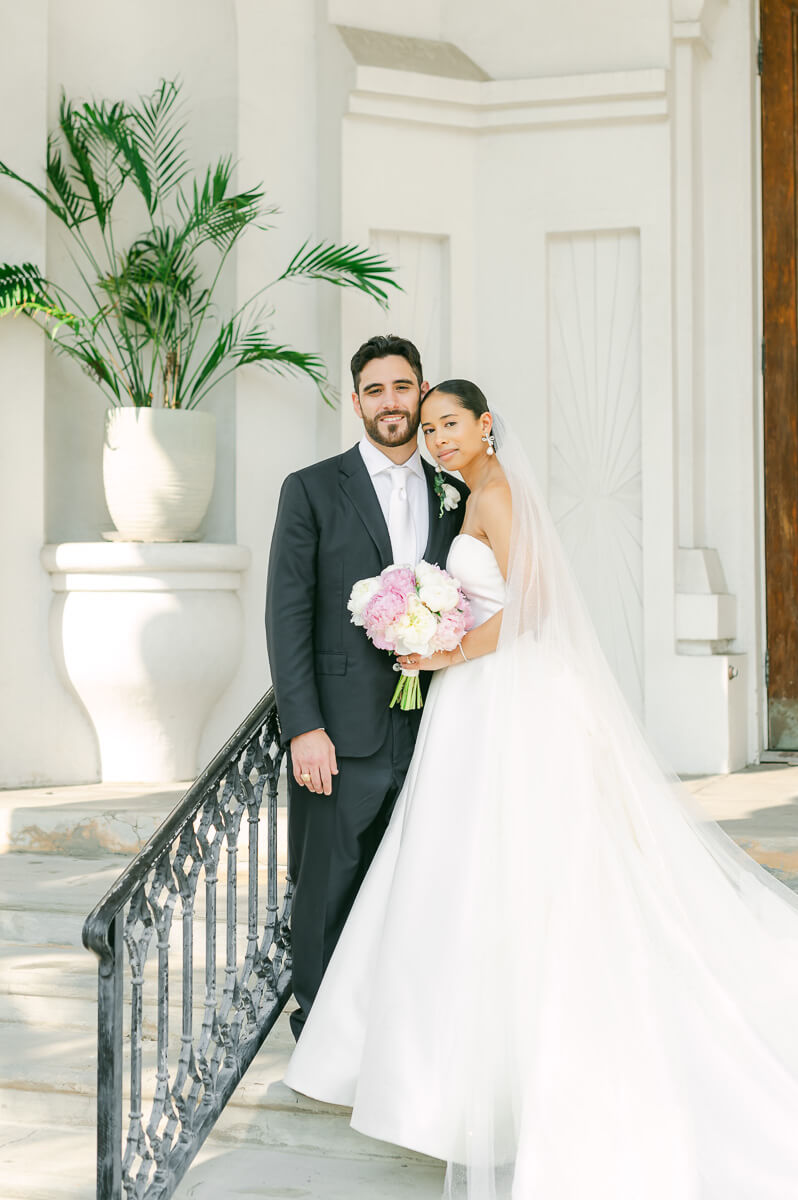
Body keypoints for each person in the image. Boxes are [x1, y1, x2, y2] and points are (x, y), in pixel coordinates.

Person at [284, 379, 798, 1199]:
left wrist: (441, 653)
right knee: (458, 873)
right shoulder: (469, 496)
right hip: (479, 700)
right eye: (429, 427)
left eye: (451, 423)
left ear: (486, 425)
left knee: (524, 867)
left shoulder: (497, 493)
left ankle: (500, 1078)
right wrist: (430, 626)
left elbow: (535, 607)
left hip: (509, 697)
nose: (440, 437)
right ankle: (438, 1075)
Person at [265, 335, 467, 1041]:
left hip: (434, 724)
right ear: (356, 402)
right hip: (341, 732)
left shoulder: (455, 492)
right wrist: (303, 726)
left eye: (403, 387)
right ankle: (321, 1027)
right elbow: (286, 614)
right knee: (328, 883)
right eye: (375, 390)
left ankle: (396, 1025)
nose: (390, 402)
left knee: (412, 881)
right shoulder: (312, 488)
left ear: (422, 391)